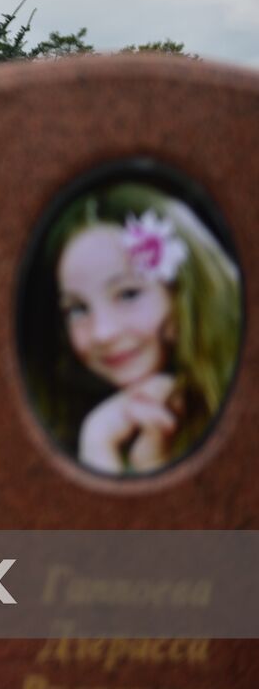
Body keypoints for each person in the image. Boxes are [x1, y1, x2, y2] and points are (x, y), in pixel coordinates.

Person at [25, 182, 240, 476]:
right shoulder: (70, 430)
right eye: (77, 309)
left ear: (182, 293)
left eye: (128, 294)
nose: (103, 333)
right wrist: (99, 448)